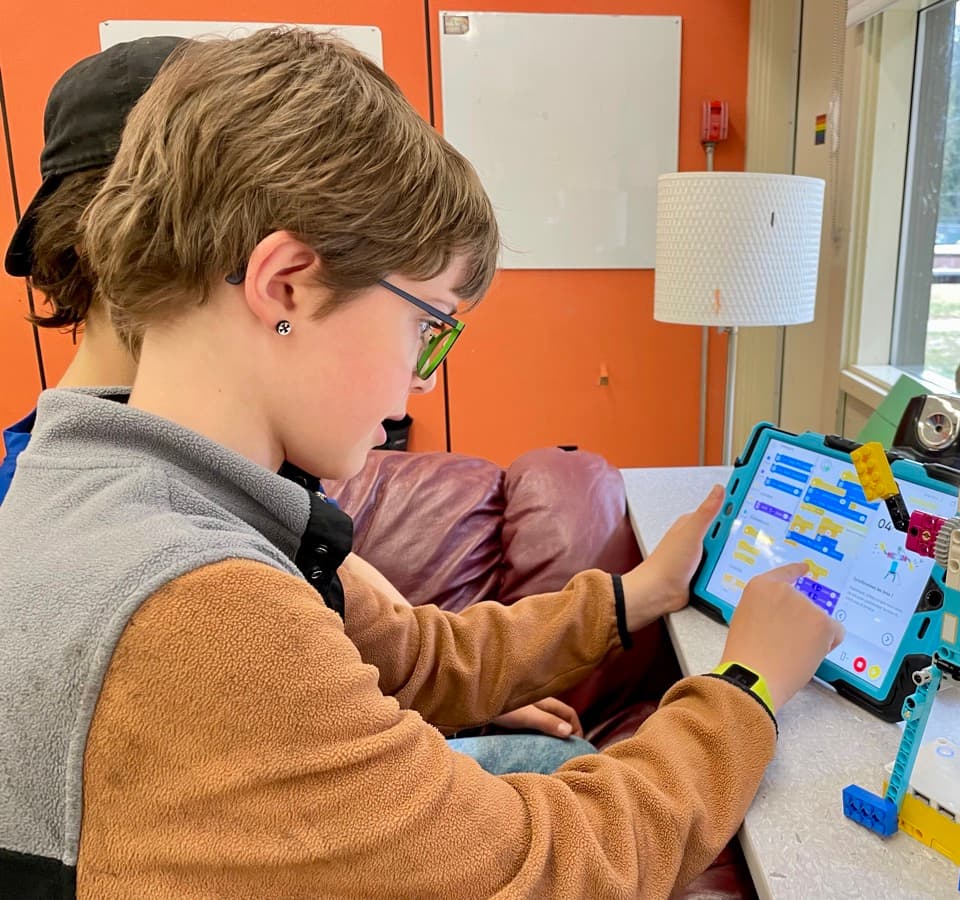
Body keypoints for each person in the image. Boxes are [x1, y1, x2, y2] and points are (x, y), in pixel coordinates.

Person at [0, 29, 842, 897]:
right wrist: (747, 686)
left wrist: (634, 597)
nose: (420, 382)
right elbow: (558, 867)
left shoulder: (113, 481)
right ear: (285, 284)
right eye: (426, 324)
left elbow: (413, 656)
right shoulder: (201, 607)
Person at [0, 36, 591, 764]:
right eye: (423, 323)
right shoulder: (183, 578)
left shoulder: (140, 478)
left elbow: (398, 646)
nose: (420, 381)